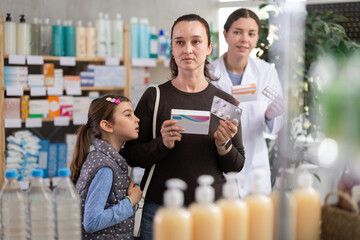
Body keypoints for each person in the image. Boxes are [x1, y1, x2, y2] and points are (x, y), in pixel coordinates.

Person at [124, 14, 245, 240]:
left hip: (210, 212)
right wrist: (162, 144)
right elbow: (130, 154)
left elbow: (236, 165)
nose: (187, 49)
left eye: (196, 42)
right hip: (159, 211)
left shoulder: (224, 102)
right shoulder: (155, 96)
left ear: (209, 47)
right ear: (171, 47)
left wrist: (223, 145)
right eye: (180, 42)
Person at [209, 8, 284, 198]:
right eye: (237, 32)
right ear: (225, 34)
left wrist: (270, 115)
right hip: (217, 164)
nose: (244, 39)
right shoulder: (208, 72)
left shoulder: (266, 73)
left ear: (257, 37)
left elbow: (274, 128)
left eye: (251, 34)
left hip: (254, 168)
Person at [70, 94, 142, 240]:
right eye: (128, 115)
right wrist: (131, 201)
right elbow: (92, 222)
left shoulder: (101, 158)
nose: (137, 119)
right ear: (107, 125)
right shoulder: (106, 167)